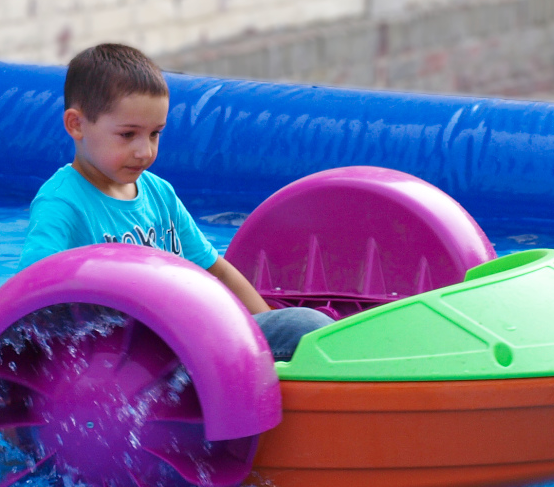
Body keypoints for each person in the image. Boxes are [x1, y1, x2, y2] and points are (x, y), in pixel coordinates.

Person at [19, 42, 331, 360]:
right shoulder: (63, 204)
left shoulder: (159, 194)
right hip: (134, 357)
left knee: (308, 326)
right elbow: (30, 290)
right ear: (76, 125)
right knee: (305, 325)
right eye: (128, 135)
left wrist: (263, 322)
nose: (145, 151)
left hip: (188, 336)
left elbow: (218, 272)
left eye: (155, 134)